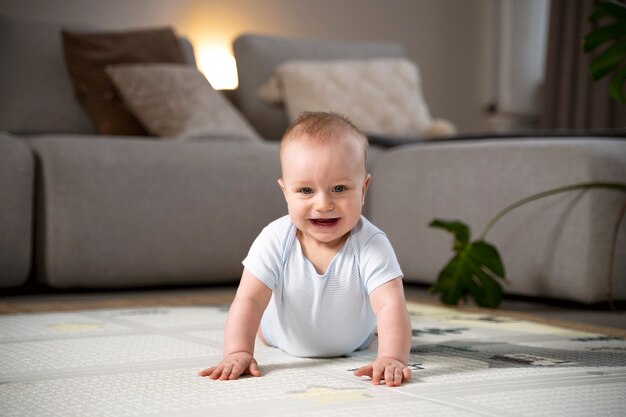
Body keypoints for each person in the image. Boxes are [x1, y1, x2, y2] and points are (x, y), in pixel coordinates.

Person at [198, 111, 412, 386]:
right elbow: (249, 300)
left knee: (388, 323)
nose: (323, 204)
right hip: (280, 335)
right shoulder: (274, 239)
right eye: (306, 191)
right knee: (261, 322)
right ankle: (264, 332)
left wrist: (392, 357)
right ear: (285, 191)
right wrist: (238, 351)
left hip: (354, 341)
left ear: (363, 188)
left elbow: (391, 304)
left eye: (339, 188)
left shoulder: (371, 243)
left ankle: (376, 338)